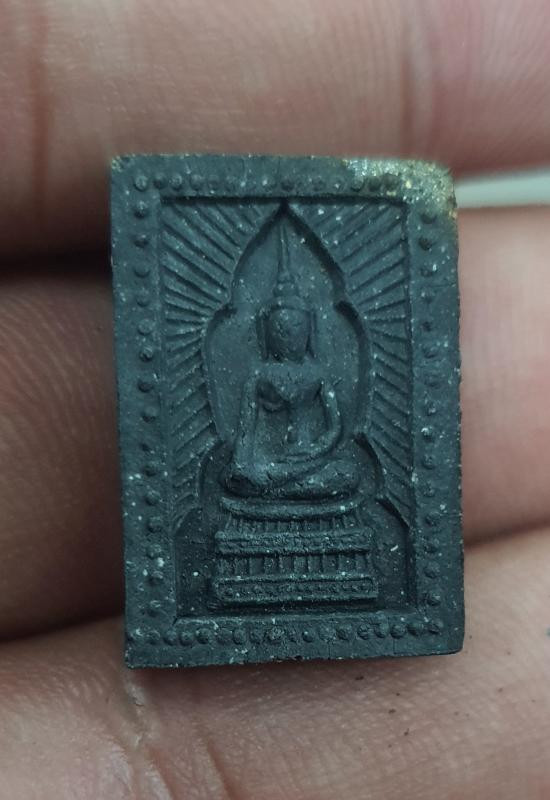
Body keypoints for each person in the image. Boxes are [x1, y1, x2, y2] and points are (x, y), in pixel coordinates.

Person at [1, 2, 550, 798]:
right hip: (262, 479)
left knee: (343, 474)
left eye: (297, 326)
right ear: (267, 329)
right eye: (279, 326)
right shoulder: (261, 375)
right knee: (240, 475)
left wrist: (308, 460)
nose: (288, 334)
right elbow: (247, 438)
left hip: (318, 476)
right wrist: (265, 464)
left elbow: (334, 431)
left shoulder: (315, 371)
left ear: (309, 328)